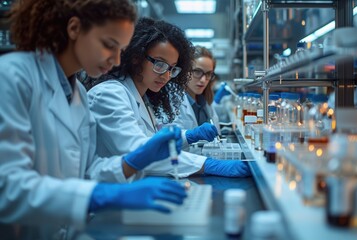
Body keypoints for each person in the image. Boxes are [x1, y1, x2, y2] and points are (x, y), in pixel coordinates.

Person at [0, 1, 187, 239]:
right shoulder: (11, 77)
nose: (118, 60)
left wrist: (133, 161)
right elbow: (8, 187)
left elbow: (86, 172)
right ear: (75, 28)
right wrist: (103, 196)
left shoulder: (78, 93)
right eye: (109, 45)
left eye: (121, 49)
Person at [86, 17, 251, 178]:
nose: (166, 76)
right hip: (111, 190)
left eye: (172, 68)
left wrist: (188, 136)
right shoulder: (109, 95)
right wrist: (207, 164)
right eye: (160, 64)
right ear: (136, 57)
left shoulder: (144, 99)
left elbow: (152, 142)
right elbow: (140, 151)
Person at [173, 46, 221, 131]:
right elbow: (173, 137)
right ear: (185, 71)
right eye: (197, 72)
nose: (203, 80)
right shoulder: (174, 101)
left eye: (208, 74)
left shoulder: (204, 101)